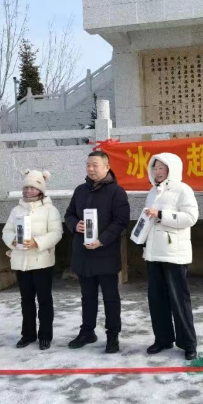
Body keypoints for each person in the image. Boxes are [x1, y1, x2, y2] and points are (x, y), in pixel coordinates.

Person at [64, 151, 130, 354]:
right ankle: (87, 332)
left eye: (95, 165)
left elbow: (121, 221)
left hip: (105, 254)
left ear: (107, 167)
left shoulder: (116, 192)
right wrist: (75, 225)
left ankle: (112, 335)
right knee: (87, 296)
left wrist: (102, 240)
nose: (91, 169)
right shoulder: (80, 190)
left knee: (111, 297)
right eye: (88, 165)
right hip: (83, 254)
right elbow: (69, 214)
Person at [141, 153, 199, 360]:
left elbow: (191, 217)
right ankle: (163, 339)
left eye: (161, 168)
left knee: (179, 300)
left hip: (174, 254)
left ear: (171, 170)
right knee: (156, 300)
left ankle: (188, 343)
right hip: (154, 253)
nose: (157, 172)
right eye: (155, 168)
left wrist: (161, 215)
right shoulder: (152, 192)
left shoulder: (183, 189)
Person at [2, 169, 63, 350]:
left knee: (44, 300)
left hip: (41, 261)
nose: (28, 191)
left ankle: (45, 335)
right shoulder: (16, 210)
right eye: (26, 187)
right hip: (21, 262)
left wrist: (37, 242)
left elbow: (56, 233)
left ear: (41, 190)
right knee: (26, 300)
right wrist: (12, 240)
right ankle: (28, 334)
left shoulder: (50, 210)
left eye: (33, 187)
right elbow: (6, 231)